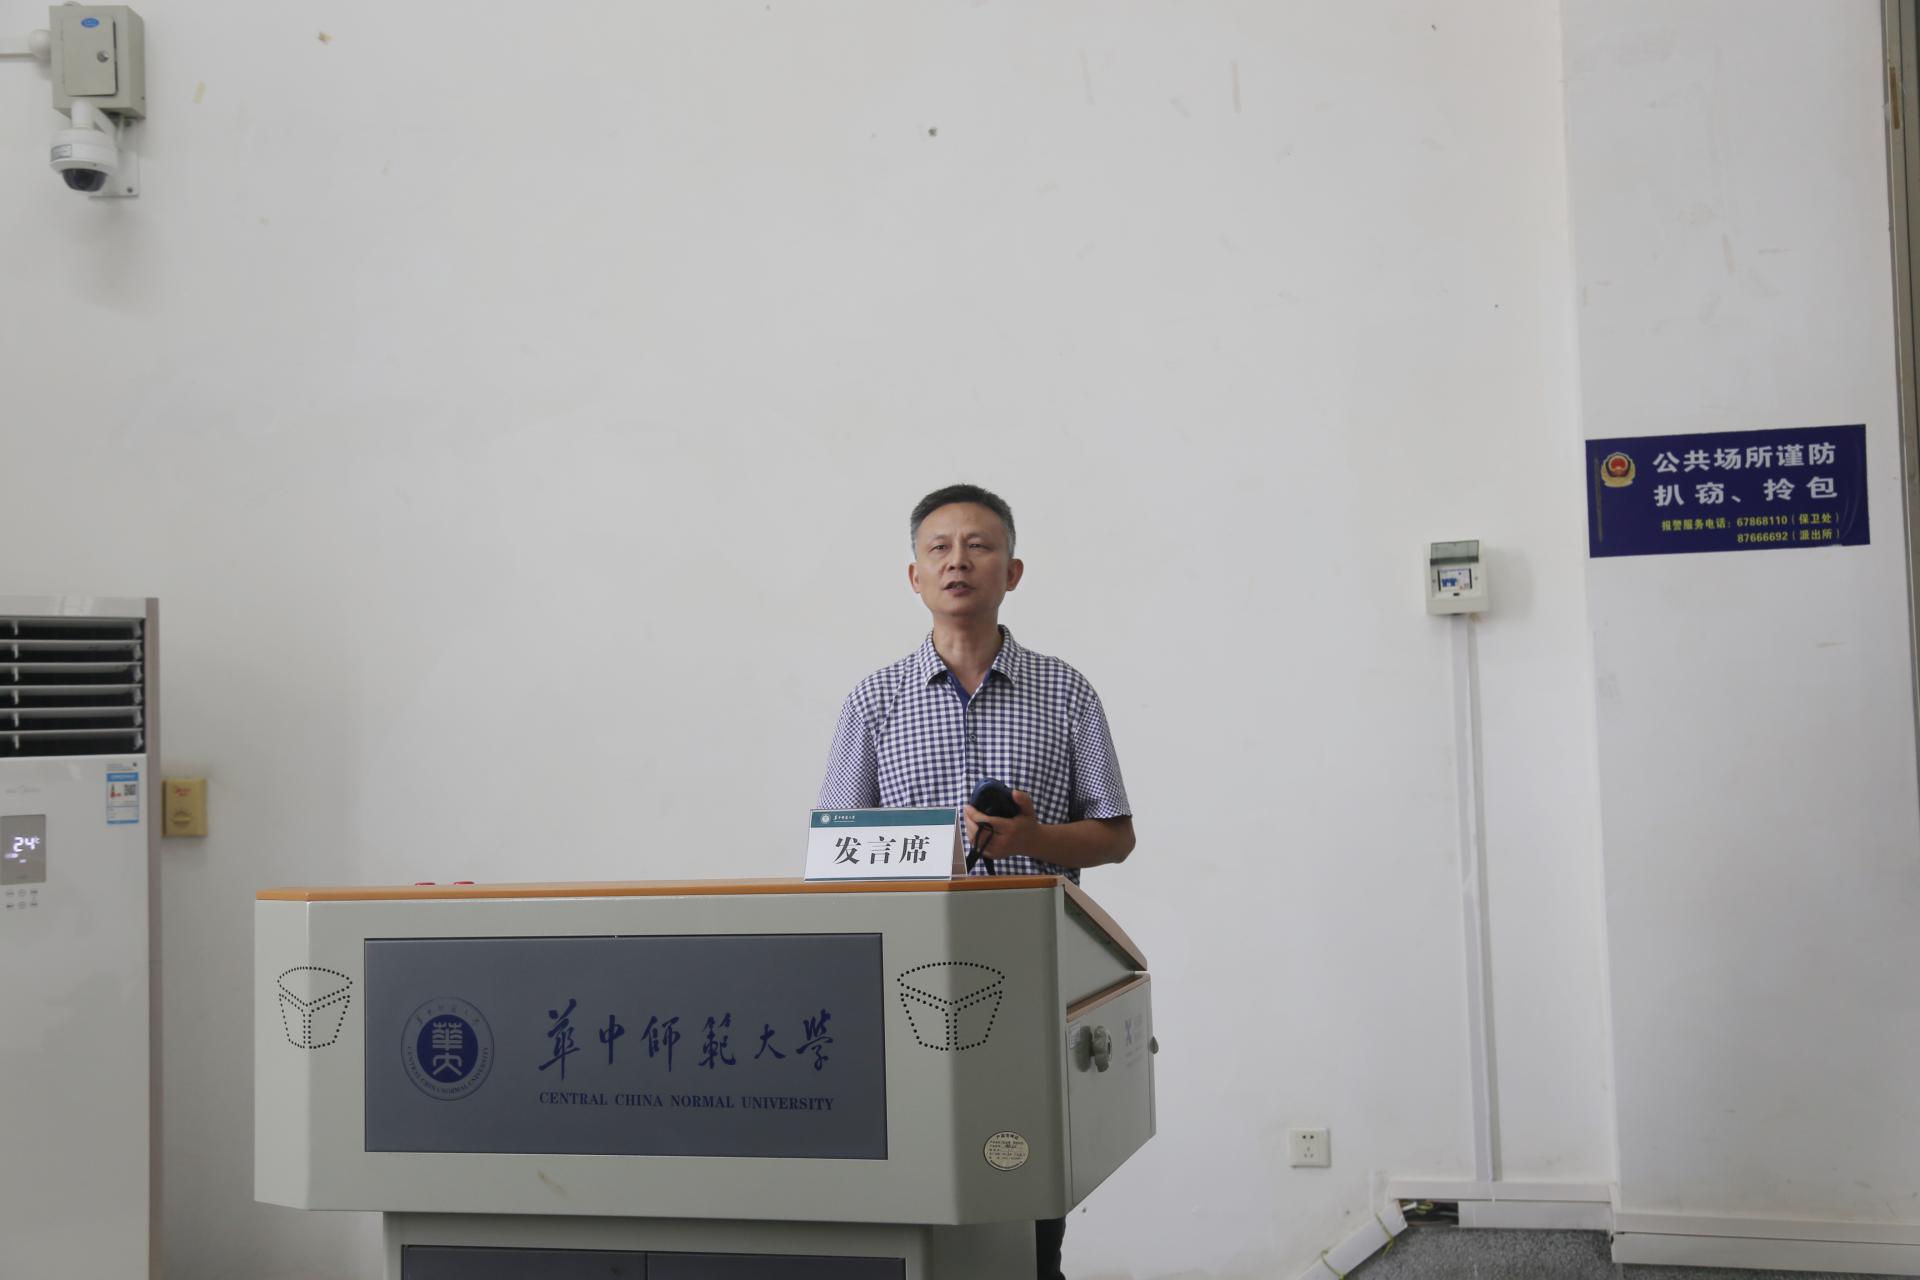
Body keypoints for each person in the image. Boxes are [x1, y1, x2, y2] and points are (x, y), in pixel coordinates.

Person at [817, 482, 1135, 1280]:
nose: (957, 561)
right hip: (908, 978)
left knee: (1029, 1182)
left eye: (979, 546)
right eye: (939, 548)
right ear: (915, 576)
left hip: (1035, 972)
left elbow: (1116, 834)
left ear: (1012, 572)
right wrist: (932, 859)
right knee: (921, 1176)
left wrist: (1033, 839)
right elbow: (836, 855)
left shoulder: (1065, 692)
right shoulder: (874, 701)